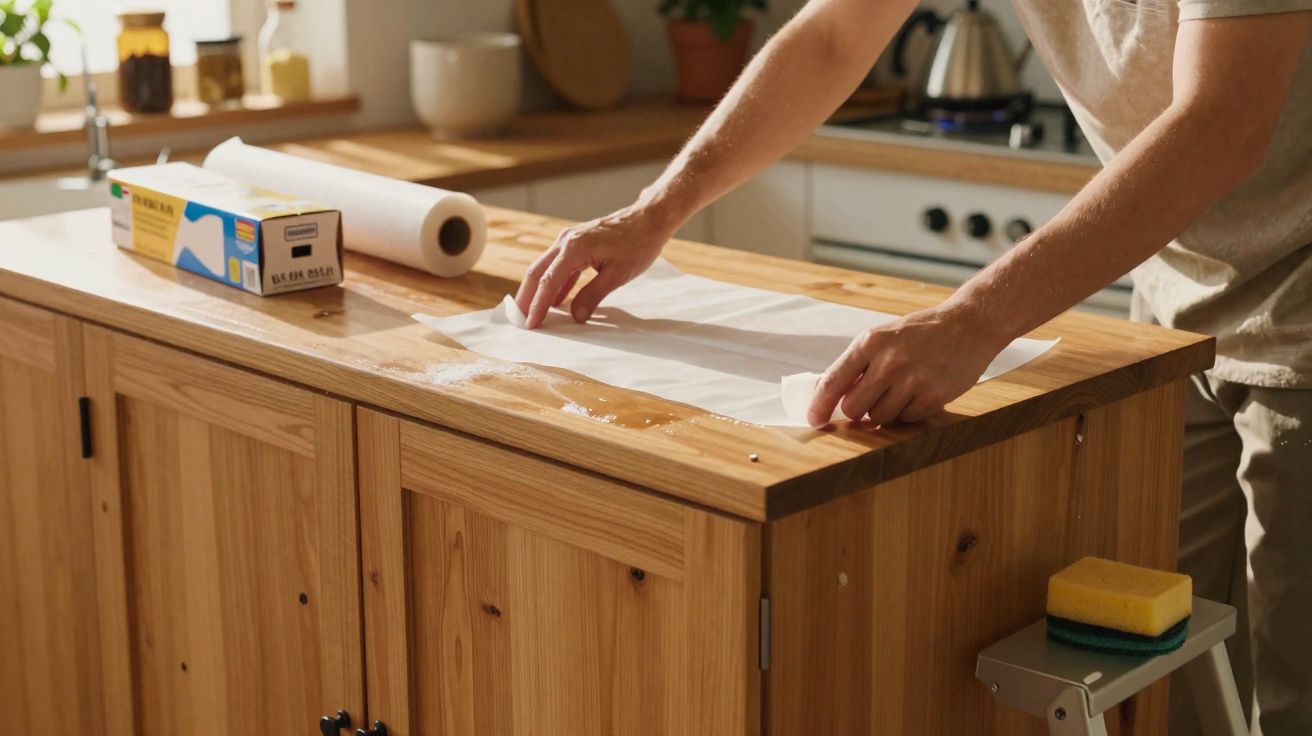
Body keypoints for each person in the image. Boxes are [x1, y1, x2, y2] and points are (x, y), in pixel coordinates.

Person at [514, 1, 1312, 733]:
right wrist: (658, 208)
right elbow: (834, 36)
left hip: (1302, 295)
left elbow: (1226, 120)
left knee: (1293, 691)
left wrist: (975, 319)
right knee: (1154, 688)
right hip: (1176, 301)